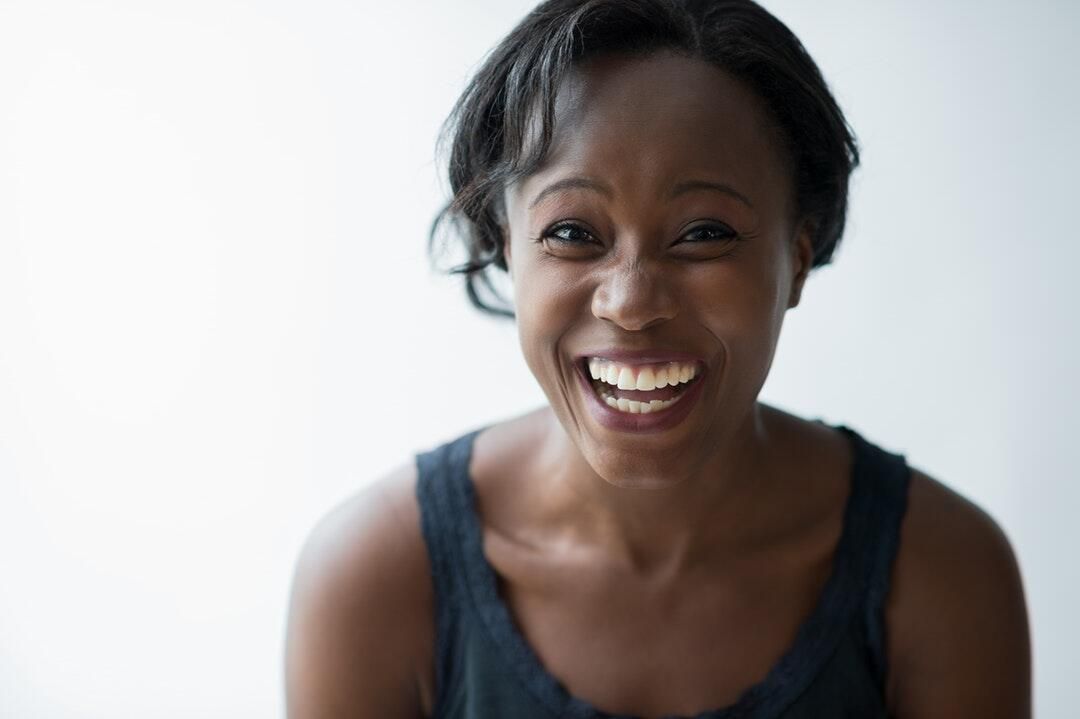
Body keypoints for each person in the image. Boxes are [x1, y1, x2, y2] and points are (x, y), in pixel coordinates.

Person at [284, 1, 1031, 716]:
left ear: (796, 259)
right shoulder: (377, 578)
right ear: (505, 247)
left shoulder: (939, 572)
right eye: (572, 232)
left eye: (704, 233)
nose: (632, 302)